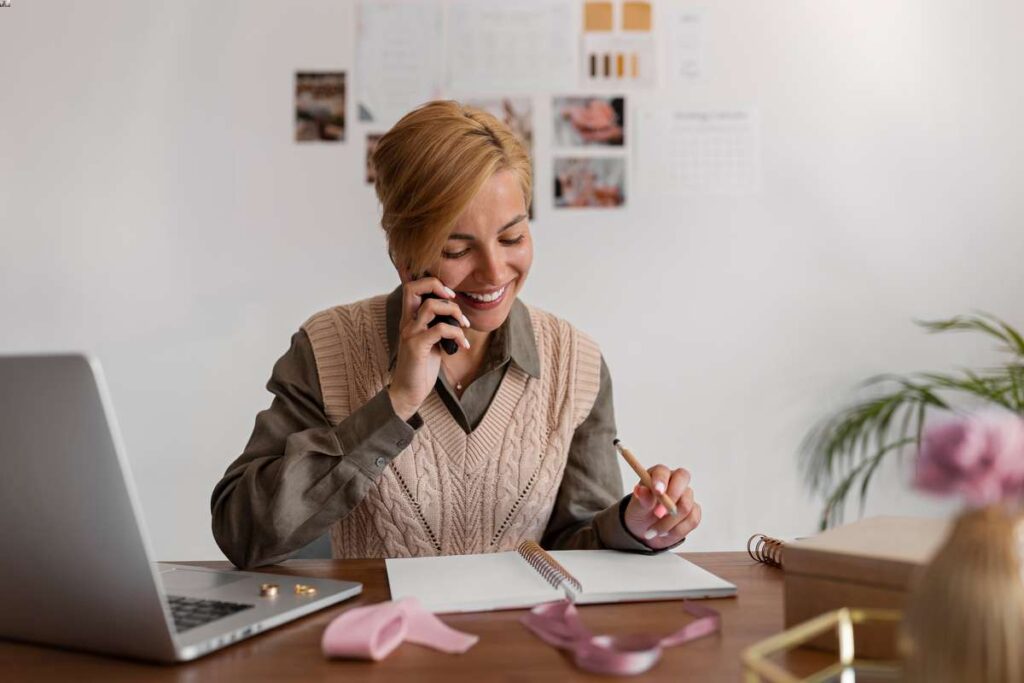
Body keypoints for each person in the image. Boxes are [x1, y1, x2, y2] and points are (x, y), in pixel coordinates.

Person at [211, 101, 700, 569]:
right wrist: (397, 402)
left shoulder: (577, 362)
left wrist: (632, 527)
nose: (493, 272)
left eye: (512, 238)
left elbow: (573, 544)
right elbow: (243, 535)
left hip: (521, 642)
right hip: (379, 639)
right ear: (404, 257)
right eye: (456, 248)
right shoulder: (326, 348)